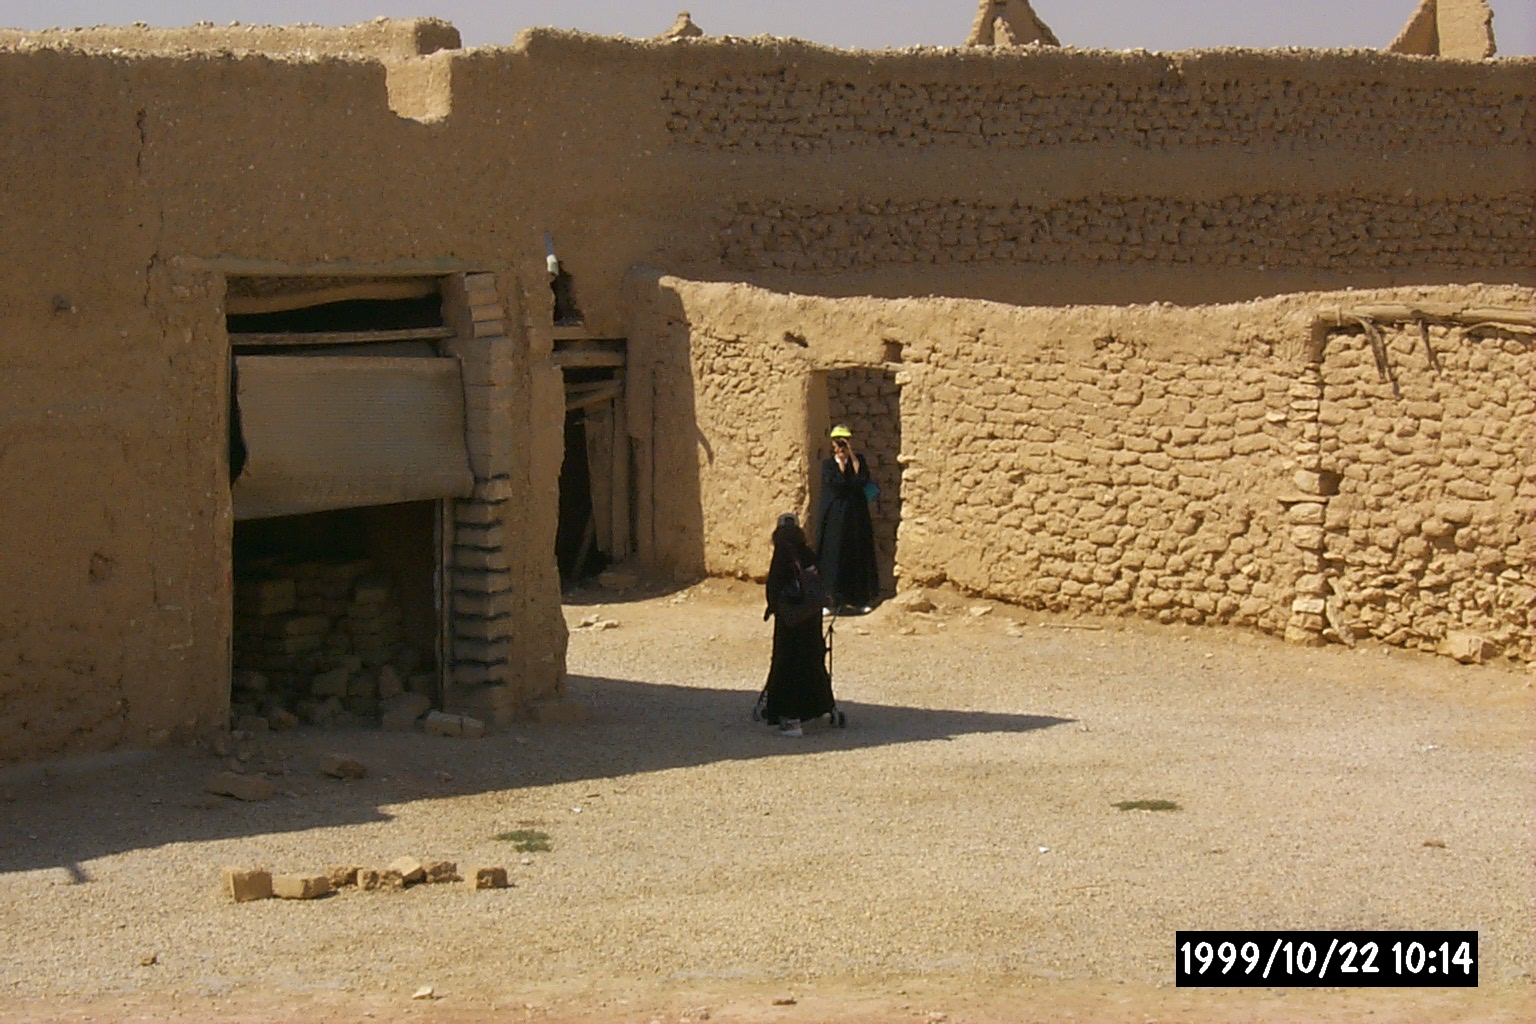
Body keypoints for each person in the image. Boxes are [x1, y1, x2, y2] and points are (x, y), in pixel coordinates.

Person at [761, 513, 836, 737]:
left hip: (790, 624)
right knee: (812, 663)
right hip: (811, 622)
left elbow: (774, 588)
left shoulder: (782, 556)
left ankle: (791, 720)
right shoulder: (808, 554)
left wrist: (774, 607)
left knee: (788, 668)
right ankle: (819, 709)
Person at [816, 425, 880, 613]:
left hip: (855, 517)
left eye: (844, 442)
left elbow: (862, 479)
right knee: (833, 557)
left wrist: (851, 457)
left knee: (857, 556)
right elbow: (838, 485)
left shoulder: (857, 461)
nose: (841, 447)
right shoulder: (829, 465)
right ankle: (830, 601)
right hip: (835, 519)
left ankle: (860, 600)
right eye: (838, 443)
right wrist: (841, 466)